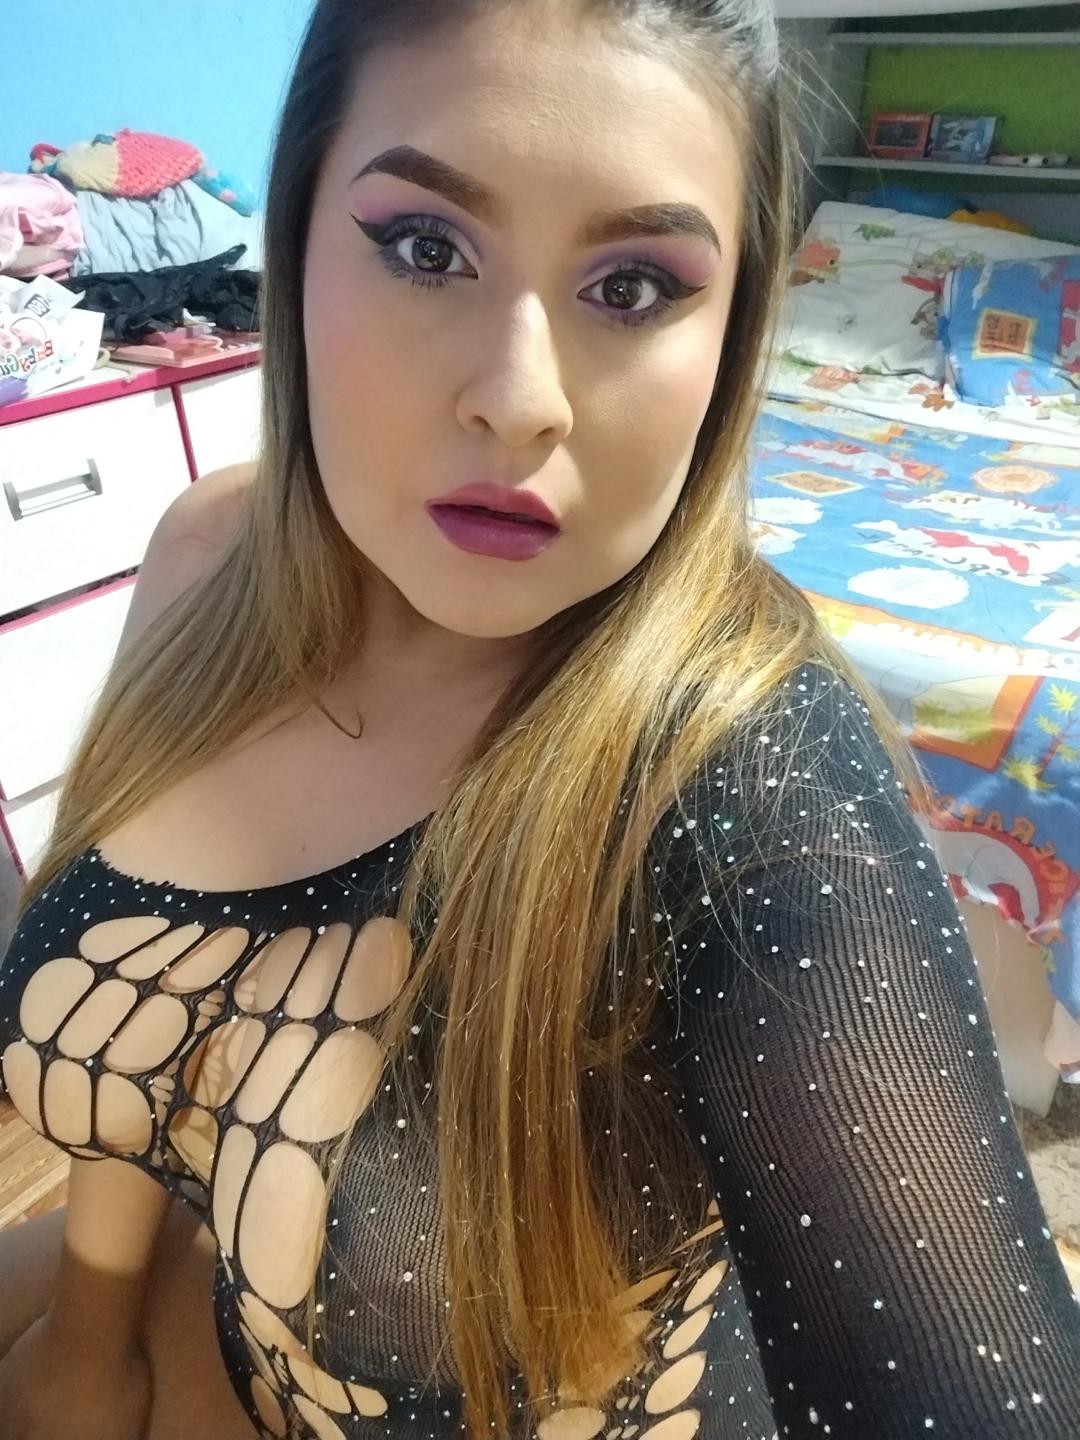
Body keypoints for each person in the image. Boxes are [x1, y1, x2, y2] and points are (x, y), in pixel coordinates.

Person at [0, 1, 1077, 1437]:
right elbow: (128, 1047)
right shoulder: (208, 556)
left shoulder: (758, 774)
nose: (519, 403)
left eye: (633, 286)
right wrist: (84, 1346)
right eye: (424, 248)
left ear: (734, 334)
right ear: (296, 246)